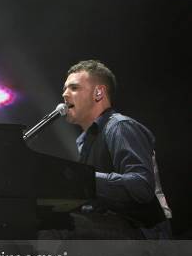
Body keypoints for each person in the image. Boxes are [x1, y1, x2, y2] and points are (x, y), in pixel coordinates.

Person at [60, 59, 171, 239]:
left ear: (98, 92)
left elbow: (141, 186)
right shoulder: (85, 141)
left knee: (57, 228)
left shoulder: (120, 126)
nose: (65, 94)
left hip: (143, 234)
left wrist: (82, 179)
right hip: (113, 227)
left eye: (74, 88)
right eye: (64, 89)